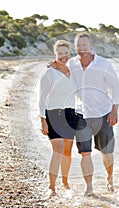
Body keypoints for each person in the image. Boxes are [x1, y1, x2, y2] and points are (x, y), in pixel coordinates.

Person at [68, 32, 119, 196]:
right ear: (75, 47)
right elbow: (60, 76)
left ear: (90, 46)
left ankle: (110, 179)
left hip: (103, 113)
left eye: (84, 45)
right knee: (85, 153)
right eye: (78, 45)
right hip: (81, 114)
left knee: (107, 152)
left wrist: (114, 110)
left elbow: (116, 87)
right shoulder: (72, 64)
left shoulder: (103, 63)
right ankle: (89, 187)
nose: (81, 48)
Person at [36, 40, 77, 197]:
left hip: (70, 114)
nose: (63, 56)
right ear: (55, 54)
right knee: (58, 150)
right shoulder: (48, 73)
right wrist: (42, 119)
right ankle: (51, 187)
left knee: (67, 151)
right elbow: (41, 98)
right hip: (53, 114)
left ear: (69, 54)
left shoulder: (73, 71)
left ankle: (65, 182)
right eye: (60, 53)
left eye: (66, 53)